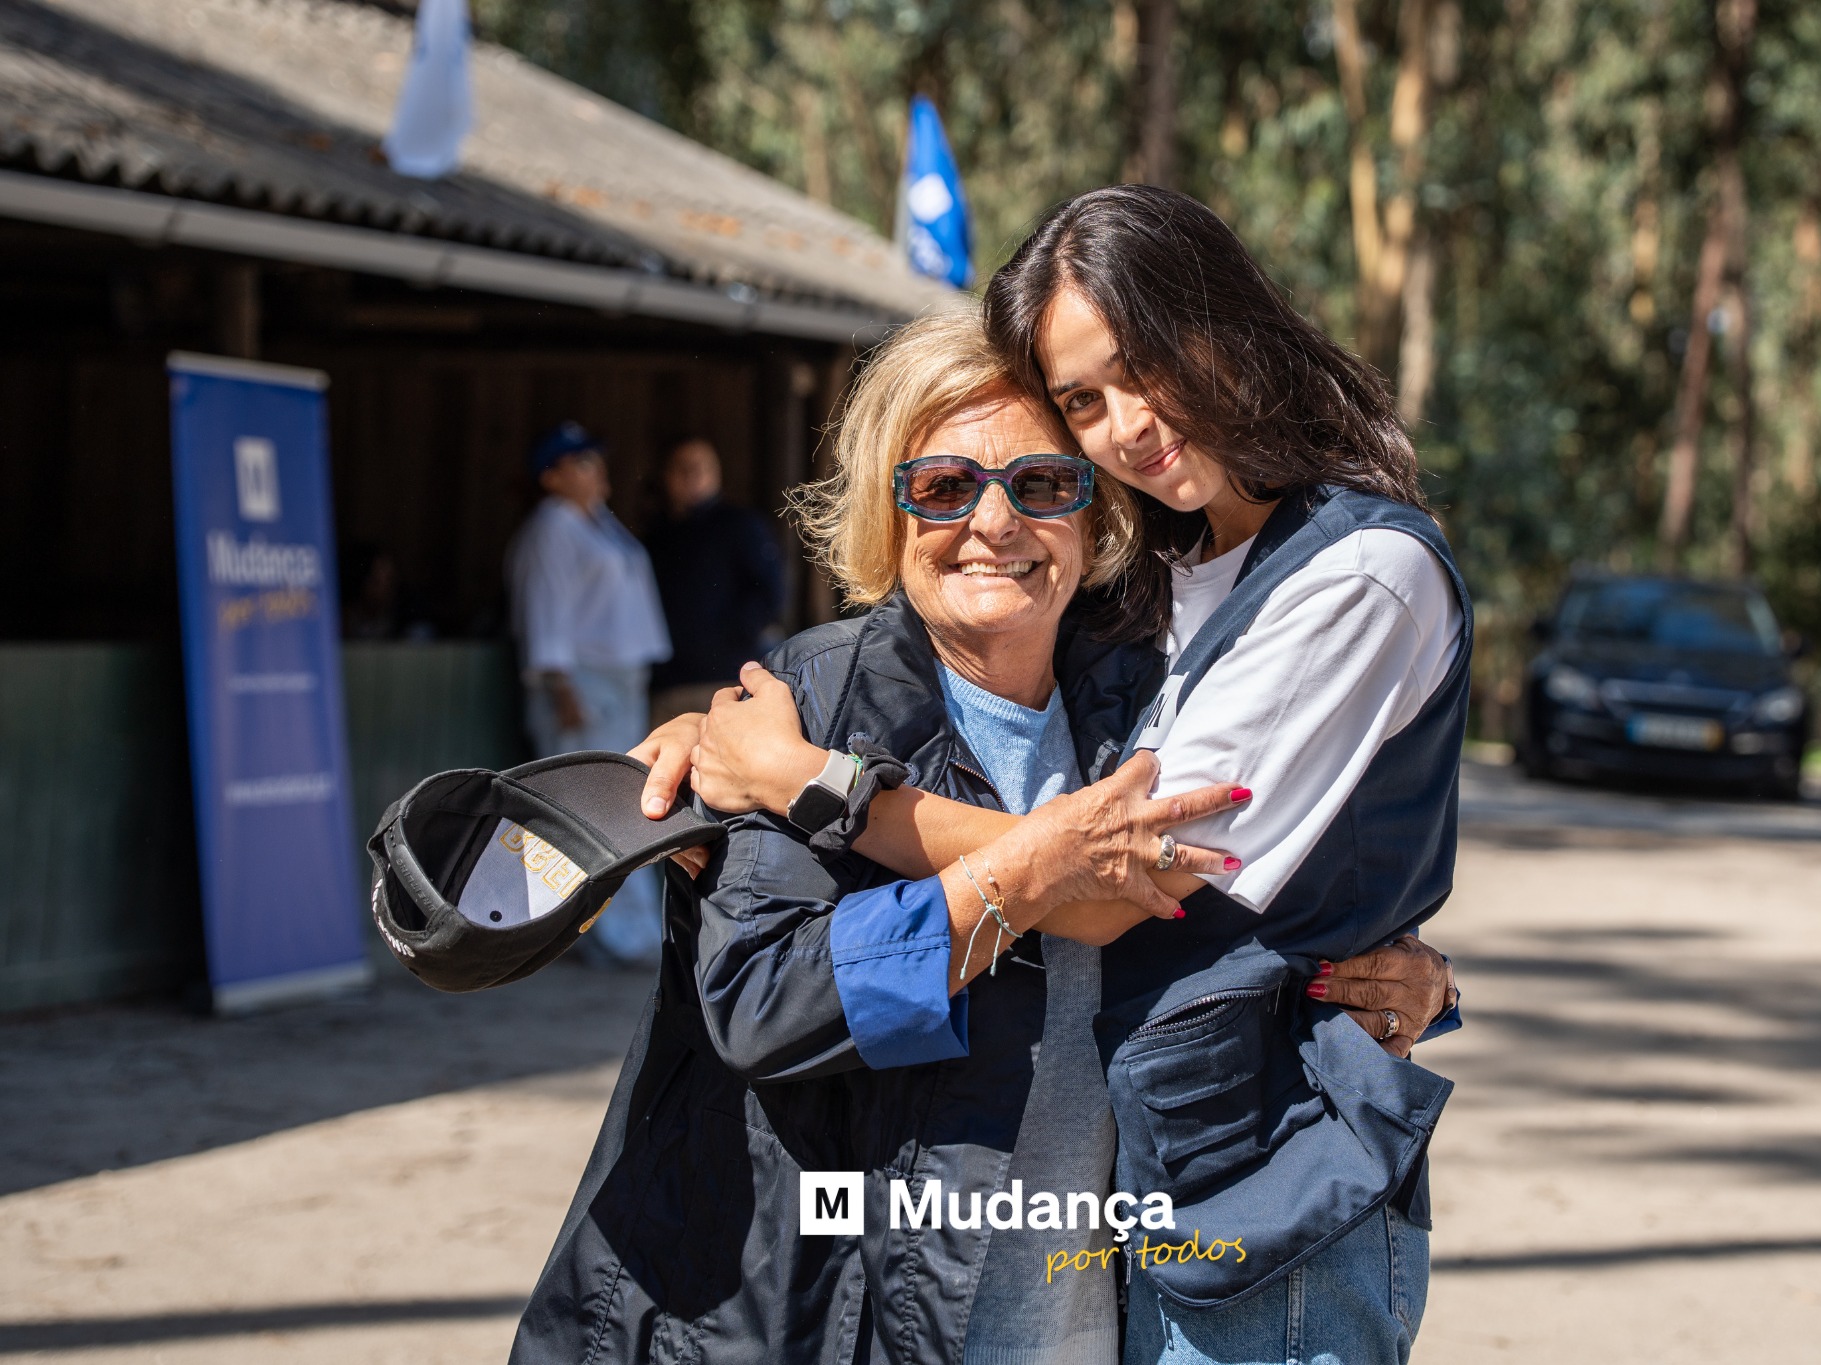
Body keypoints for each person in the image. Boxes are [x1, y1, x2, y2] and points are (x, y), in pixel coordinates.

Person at [512, 314, 1454, 1365]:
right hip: (854, 1304)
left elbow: (1244, 912)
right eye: (945, 487)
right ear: (887, 507)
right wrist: (1028, 869)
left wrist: (1380, 979)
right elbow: (764, 1002)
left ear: (1094, 515)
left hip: (1091, 1306)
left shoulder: (1150, 708)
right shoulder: (804, 708)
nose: (994, 524)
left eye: (1043, 486)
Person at [505, 420, 672, 967]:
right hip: (580, 681)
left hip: (619, 680)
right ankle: (598, 937)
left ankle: (632, 932)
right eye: (578, 463)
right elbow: (543, 608)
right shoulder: (551, 527)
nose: (594, 471)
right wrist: (560, 686)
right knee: (584, 804)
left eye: (594, 460)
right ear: (550, 477)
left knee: (623, 802)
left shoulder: (598, 522)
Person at [642, 437, 787, 725]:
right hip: (671, 683)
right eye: (683, 468)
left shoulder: (741, 526)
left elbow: (771, 592)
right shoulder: (655, 537)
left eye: (701, 467)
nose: (692, 475)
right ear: (667, 476)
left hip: (728, 678)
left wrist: (734, 637)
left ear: (716, 473)